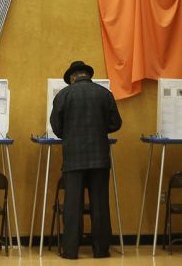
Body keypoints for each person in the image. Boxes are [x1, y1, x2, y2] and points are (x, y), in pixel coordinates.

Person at [49, 61, 122, 259]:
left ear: (72, 77)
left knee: (73, 206)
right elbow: (116, 123)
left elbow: (56, 126)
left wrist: (70, 133)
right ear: (86, 75)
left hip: (73, 158)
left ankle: (71, 251)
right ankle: (101, 250)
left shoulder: (64, 95)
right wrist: (100, 128)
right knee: (100, 205)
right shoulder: (103, 93)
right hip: (99, 158)